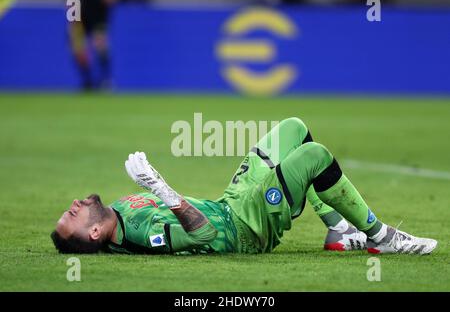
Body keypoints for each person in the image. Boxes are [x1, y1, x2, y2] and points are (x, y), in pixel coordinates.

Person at [51, 117, 437, 255]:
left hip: (232, 202)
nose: (74, 204)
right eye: (74, 216)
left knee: (293, 128)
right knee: (315, 155)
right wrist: (160, 187)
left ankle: (337, 230)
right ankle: (381, 236)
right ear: (96, 232)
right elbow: (203, 235)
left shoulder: (119, 210)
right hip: (245, 229)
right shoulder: (140, 235)